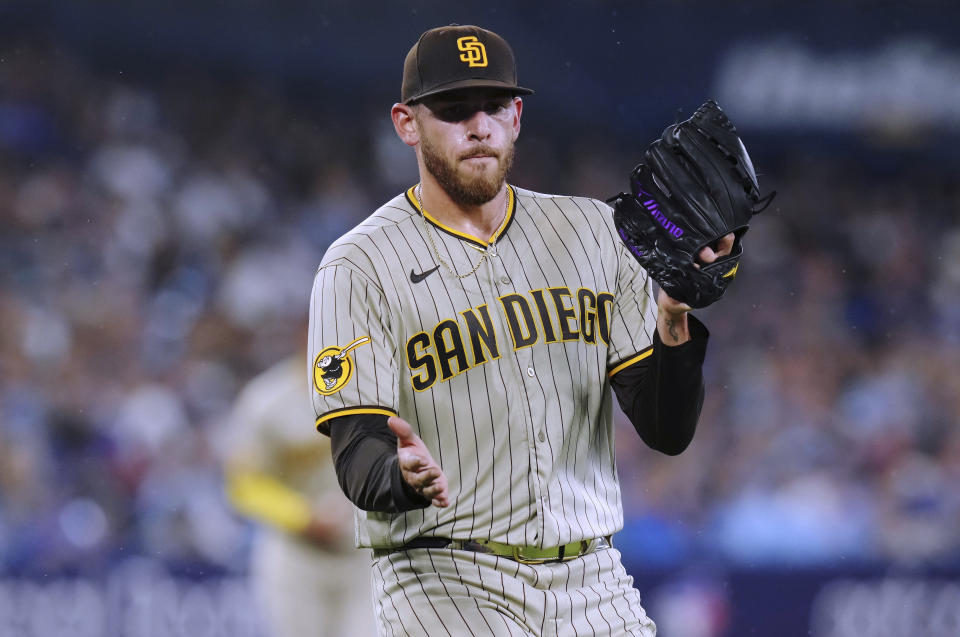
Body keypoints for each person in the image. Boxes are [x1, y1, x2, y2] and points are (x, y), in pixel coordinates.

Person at [308, 24, 733, 636]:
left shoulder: (592, 231)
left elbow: (667, 430)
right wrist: (398, 477)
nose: (478, 125)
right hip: (443, 576)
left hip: (593, 578)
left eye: (494, 106)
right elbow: (357, 452)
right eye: (454, 110)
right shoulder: (360, 265)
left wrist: (672, 319)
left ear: (518, 115)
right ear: (406, 123)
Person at [224, 350, 377, 637]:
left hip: (365, 552)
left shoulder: (379, 386)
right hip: (297, 554)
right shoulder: (267, 399)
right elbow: (244, 483)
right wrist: (303, 517)